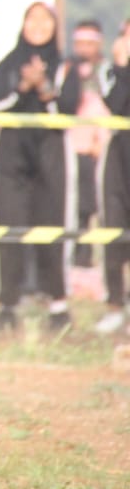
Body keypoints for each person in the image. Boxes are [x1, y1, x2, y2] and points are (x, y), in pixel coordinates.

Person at [0, 2, 81, 331]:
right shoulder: (9, 63)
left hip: (50, 155)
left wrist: (43, 88)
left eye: (46, 20)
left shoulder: (64, 65)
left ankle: (57, 303)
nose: (39, 25)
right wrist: (23, 87)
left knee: (51, 228)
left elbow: (68, 111)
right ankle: (8, 304)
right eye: (33, 18)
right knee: (10, 229)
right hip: (11, 157)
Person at [96, 20, 130, 335]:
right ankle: (114, 304)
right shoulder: (110, 69)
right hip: (118, 162)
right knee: (112, 233)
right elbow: (116, 104)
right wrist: (122, 65)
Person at [70, 20, 110, 279]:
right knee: (75, 208)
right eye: (79, 43)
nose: (84, 48)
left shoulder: (105, 71)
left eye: (89, 43)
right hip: (71, 148)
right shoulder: (69, 70)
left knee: (93, 206)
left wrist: (100, 140)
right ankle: (77, 261)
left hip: (97, 148)